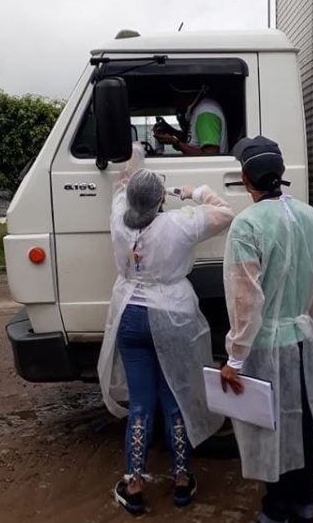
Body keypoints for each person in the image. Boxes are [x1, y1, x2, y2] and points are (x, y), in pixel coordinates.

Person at [97, 142, 235, 516]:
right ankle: (182, 479)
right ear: (161, 200)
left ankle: (134, 484)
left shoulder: (118, 220)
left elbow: (121, 185)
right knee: (175, 396)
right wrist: (193, 192)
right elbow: (225, 212)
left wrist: (133, 155)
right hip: (172, 316)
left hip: (130, 315)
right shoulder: (179, 223)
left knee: (141, 403)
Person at [219, 136, 313, 523]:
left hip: (264, 345)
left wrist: (235, 358)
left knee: (269, 425)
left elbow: (246, 300)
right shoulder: (309, 216)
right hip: (301, 338)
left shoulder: (247, 225)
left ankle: (276, 508)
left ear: (245, 179)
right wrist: (309, 319)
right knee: (301, 421)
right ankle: (304, 502)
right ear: (282, 172)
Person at [153, 84, 228, 155]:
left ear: (186, 95)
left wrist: (175, 142)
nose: (176, 101)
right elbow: (192, 142)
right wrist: (172, 131)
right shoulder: (199, 110)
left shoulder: (205, 113)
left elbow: (210, 156)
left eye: (177, 96)